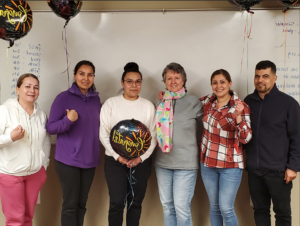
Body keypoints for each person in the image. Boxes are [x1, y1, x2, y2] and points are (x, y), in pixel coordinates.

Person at [100, 62, 157, 226]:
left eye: (138, 81)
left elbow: (153, 135)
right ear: (122, 83)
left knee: (135, 203)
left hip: (140, 162)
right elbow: (103, 133)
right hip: (114, 162)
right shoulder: (110, 104)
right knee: (117, 202)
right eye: (129, 81)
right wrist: (117, 156)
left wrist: (141, 158)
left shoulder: (148, 106)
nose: (134, 85)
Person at [244, 60, 300, 226]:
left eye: (265, 76)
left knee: (282, 214)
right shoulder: (248, 101)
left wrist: (293, 167)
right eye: (257, 76)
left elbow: (297, 137)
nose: (260, 79)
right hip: (254, 169)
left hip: (279, 171)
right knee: (260, 211)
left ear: (274, 78)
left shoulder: (289, 103)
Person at [47, 60, 101, 226]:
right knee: (70, 206)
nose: (86, 78)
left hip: (90, 161)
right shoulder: (63, 98)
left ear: (93, 77)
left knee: (81, 205)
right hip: (68, 160)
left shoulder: (96, 100)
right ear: (75, 76)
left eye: (90, 74)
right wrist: (68, 121)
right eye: (82, 74)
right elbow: (50, 128)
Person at [200, 69, 252, 226]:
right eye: (215, 82)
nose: (218, 86)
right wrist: (166, 95)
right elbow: (183, 97)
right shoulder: (207, 102)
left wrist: (238, 118)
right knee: (215, 207)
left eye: (222, 82)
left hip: (231, 165)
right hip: (207, 163)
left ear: (230, 83)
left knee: (226, 208)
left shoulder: (241, 106)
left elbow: (246, 138)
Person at [155, 62, 203, 226]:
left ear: (184, 80)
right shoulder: (160, 103)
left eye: (177, 77)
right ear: (165, 81)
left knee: (181, 208)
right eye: (169, 78)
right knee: (168, 207)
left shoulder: (194, 102)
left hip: (186, 164)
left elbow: (203, 131)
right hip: (163, 163)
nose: (173, 81)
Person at [0, 73, 51, 226]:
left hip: (35, 174)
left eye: (36, 87)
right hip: (11, 174)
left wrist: (44, 164)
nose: (32, 90)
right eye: (27, 86)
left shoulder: (41, 114)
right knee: (15, 220)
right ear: (17, 89)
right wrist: (11, 137)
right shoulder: (4, 110)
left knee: (28, 217)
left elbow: (46, 141)